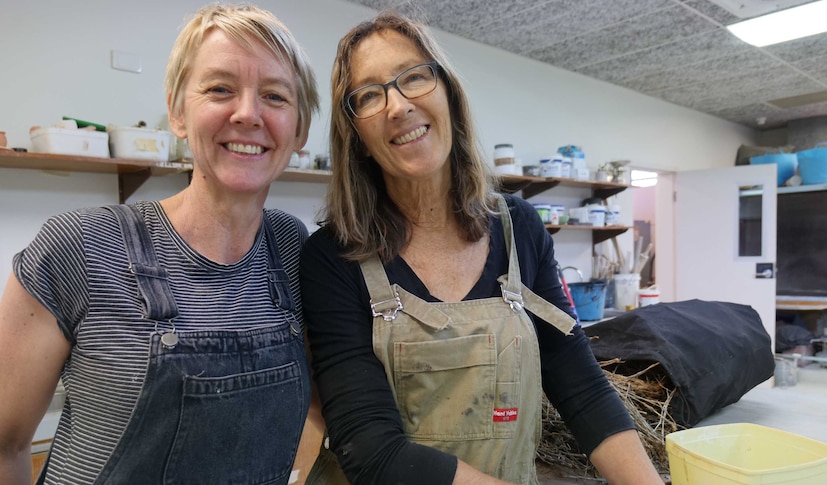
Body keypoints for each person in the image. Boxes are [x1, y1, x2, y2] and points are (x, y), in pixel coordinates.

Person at [299, 11, 665, 485]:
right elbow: (371, 451)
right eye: (369, 95)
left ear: (448, 93)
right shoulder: (333, 258)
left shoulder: (520, 229)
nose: (397, 105)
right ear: (359, 140)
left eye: (413, 77)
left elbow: (582, 387)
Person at [0, 4, 320, 484]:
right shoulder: (81, 245)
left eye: (275, 96)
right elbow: (5, 443)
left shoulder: (292, 247)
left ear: (300, 130)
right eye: (219, 89)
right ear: (176, 112)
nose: (248, 113)